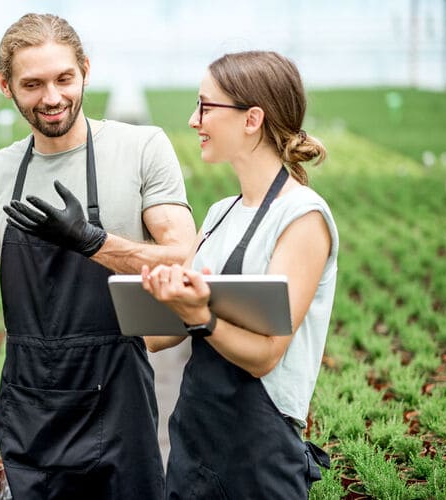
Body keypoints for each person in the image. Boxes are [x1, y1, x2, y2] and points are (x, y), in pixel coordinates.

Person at [0, 13, 197, 499]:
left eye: (63, 79)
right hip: (33, 400)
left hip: (119, 397)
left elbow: (182, 258)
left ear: (85, 71)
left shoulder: (140, 148)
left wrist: (94, 241)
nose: (51, 98)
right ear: (5, 86)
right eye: (32, 84)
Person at [142, 51, 338, 499]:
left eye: (206, 106)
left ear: (252, 119)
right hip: (194, 437)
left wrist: (202, 317)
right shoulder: (219, 213)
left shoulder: (302, 216)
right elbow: (170, 330)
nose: (194, 120)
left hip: (260, 451)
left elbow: (267, 354)